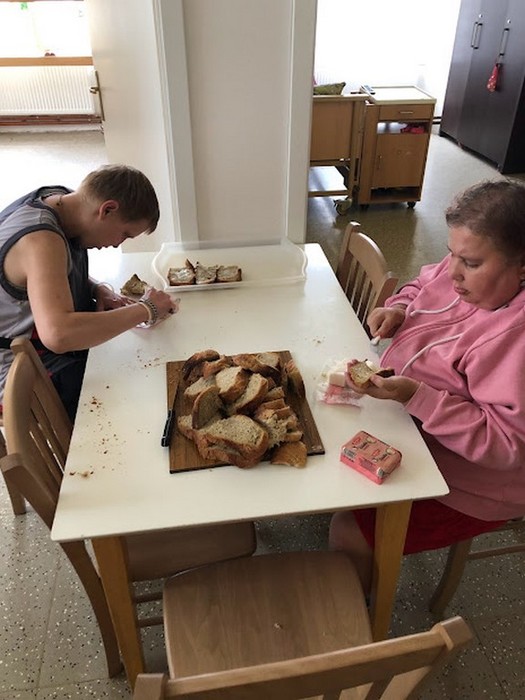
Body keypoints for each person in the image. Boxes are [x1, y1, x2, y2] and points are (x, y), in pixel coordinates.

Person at [330, 179, 525, 589]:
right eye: (451, 253)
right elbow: (423, 285)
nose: (453, 272)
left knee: (349, 530)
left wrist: (418, 397)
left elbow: (506, 445)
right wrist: (399, 308)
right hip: (416, 429)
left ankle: (359, 611)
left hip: (477, 485)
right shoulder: (463, 274)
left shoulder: (515, 340)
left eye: (470, 263)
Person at [0, 164, 178, 421]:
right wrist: (146, 309)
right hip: (15, 371)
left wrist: (96, 287)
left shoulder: (62, 202)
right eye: (124, 234)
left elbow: (46, 272)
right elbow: (59, 335)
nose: (117, 244)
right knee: (132, 401)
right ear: (107, 209)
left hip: (38, 350)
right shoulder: (40, 240)